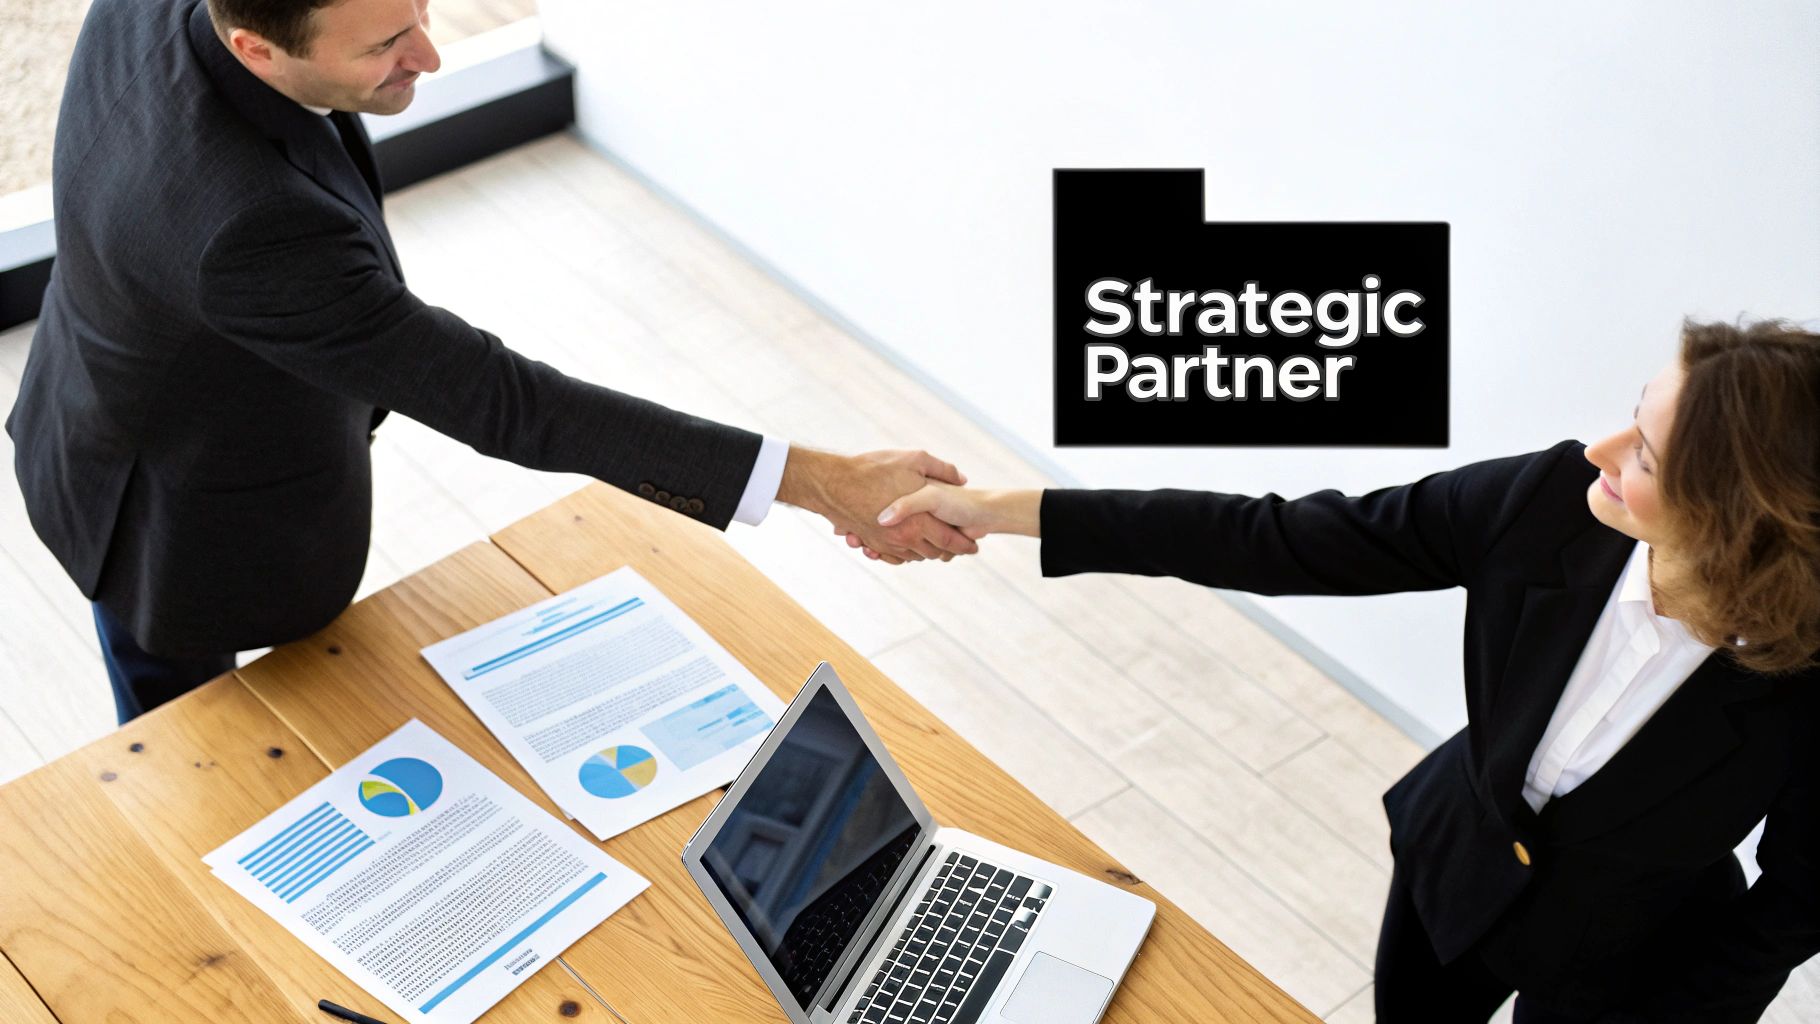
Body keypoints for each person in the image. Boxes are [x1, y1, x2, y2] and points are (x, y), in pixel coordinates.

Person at [5, 0, 971, 725]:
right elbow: (509, 403)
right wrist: (819, 480)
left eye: (420, 10)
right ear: (257, 48)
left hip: (113, 370)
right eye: (387, 45)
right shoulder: (249, 227)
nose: (430, 54)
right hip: (178, 520)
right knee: (181, 743)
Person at [866, 318, 1820, 1022]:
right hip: (1453, 866)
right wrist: (1012, 510)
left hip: (1637, 958)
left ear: (1740, 518)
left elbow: (1801, 892)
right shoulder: (1546, 499)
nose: (1597, 450)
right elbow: (1277, 538)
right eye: (1632, 418)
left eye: (1644, 454)